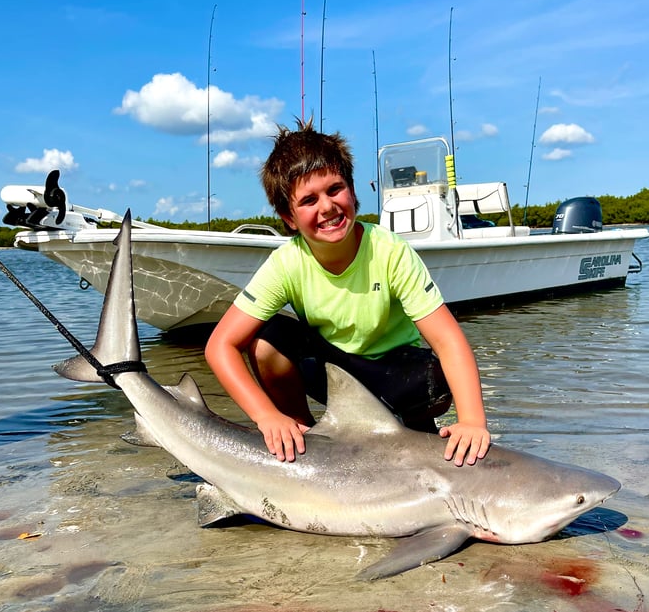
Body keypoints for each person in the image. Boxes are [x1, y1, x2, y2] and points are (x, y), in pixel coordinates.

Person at [204, 120, 491, 466]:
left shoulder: (390, 251)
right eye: (308, 200)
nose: (327, 207)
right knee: (267, 341)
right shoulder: (286, 263)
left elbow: (449, 341)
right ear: (288, 217)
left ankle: (416, 431)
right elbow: (220, 346)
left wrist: (473, 420)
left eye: (335, 189)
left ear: (353, 192)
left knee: (436, 383)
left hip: (396, 375)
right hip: (333, 371)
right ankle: (301, 433)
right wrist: (266, 416)